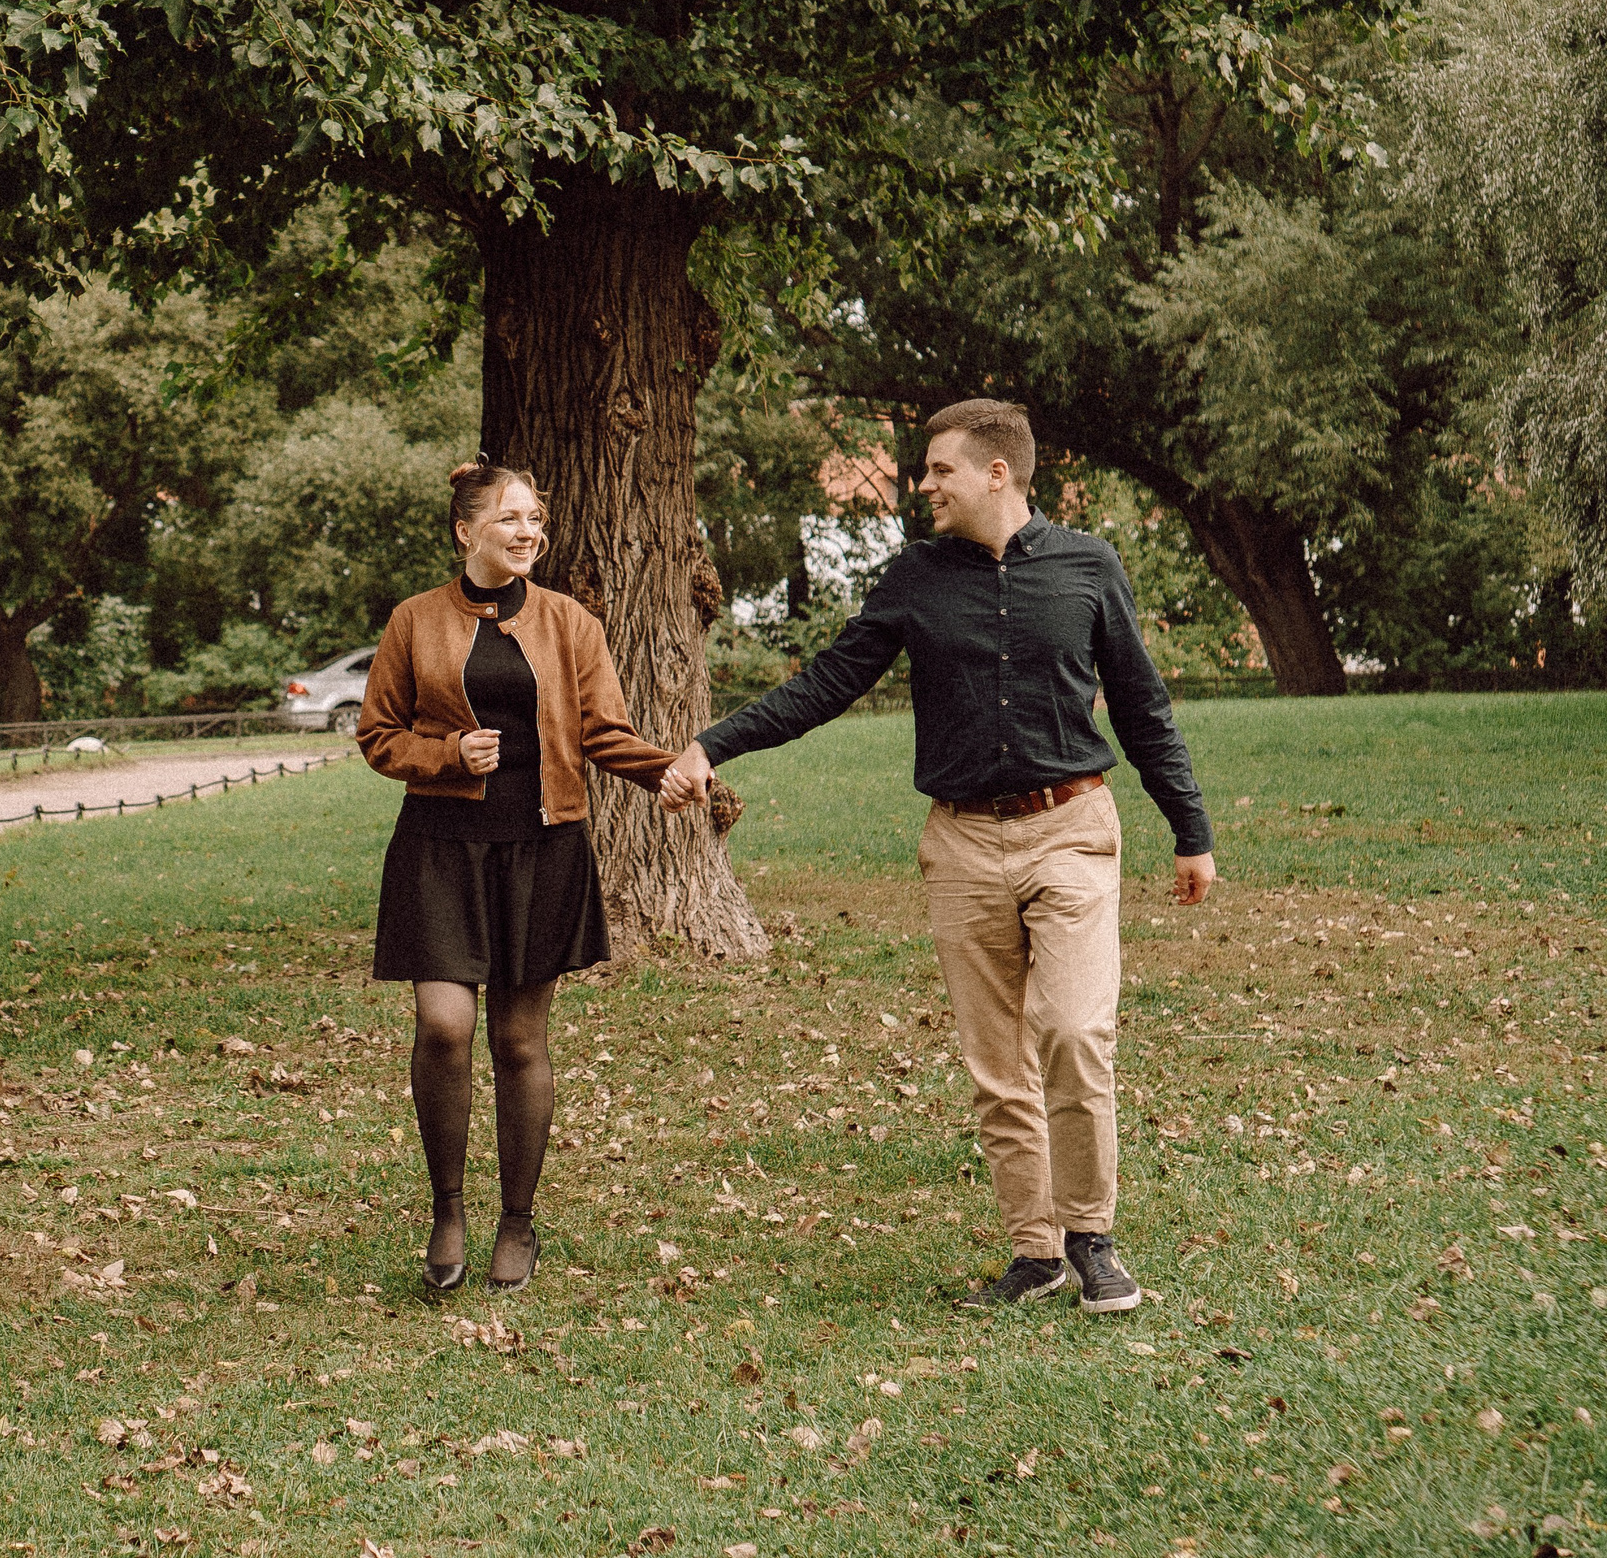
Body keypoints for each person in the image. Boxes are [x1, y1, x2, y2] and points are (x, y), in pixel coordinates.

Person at [661, 400, 1217, 1314]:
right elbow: (828, 681)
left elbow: (1142, 703)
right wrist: (712, 745)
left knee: (1074, 1031)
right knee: (998, 1061)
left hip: (1071, 828)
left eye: (938, 470)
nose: (924, 485)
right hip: (960, 842)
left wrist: (1189, 828)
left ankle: (1092, 1236)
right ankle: (1036, 1250)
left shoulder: (1088, 566)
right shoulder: (916, 576)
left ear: (997, 473)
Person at [358, 462, 676, 1293]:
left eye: (535, 518)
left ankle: (517, 1221)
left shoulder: (570, 622)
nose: (528, 531)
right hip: (440, 848)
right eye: (510, 518)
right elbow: (377, 734)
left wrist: (668, 771)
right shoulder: (414, 620)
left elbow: (605, 732)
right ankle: (447, 1209)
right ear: (466, 531)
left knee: (519, 1040)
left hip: (542, 848)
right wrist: (446, 754)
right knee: (444, 1025)